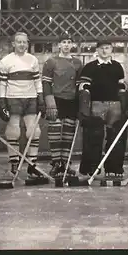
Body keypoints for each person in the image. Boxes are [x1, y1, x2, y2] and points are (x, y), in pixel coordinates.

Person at [0, 32, 47, 181]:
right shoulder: (6, 61)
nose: (22, 45)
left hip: (30, 97)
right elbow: (2, 83)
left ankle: (32, 165)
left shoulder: (32, 60)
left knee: (34, 131)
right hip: (13, 98)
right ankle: (14, 164)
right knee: (14, 131)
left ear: (28, 43)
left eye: (24, 42)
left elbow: (37, 81)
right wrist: (2, 101)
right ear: (13, 44)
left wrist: (40, 98)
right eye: (18, 42)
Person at [77, 40, 127, 177]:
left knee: (115, 136)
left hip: (114, 105)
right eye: (102, 48)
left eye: (108, 48)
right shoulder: (90, 67)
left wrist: (124, 103)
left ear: (111, 50)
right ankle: (91, 168)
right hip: (97, 104)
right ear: (97, 50)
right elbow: (83, 87)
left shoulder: (117, 66)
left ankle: (114, 168)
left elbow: (121, 86)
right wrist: (85, 107)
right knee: (94, 136)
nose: (105, 51)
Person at [42, 34, 83, 178]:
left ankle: (65, 163)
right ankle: (55, 163)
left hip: (71, 100)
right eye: (63, 42)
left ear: (72, 45)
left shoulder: (78, 62)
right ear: (58, 45)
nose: (66, 45)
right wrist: (49, 102)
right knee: (55, 131)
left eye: (69, 42)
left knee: (68, 133)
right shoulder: (51, 62)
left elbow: (80, 86)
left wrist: (80, 104)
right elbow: (46, 83)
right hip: (56, 100)